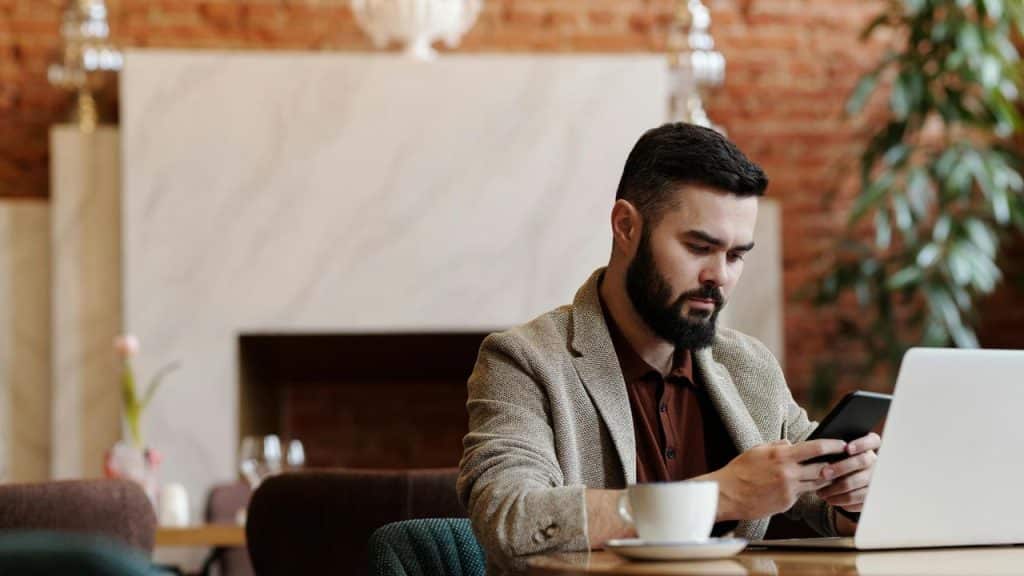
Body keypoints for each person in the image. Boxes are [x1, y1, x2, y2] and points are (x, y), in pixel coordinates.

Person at [456, 122, 881, 573]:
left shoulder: (748, 365)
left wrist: (851, 497)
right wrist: (719, 496)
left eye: (736, 256)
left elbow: (812, 488)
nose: (719, 276)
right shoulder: (524, 360)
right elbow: (509, 518)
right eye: (699, 247)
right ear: (626, 227)